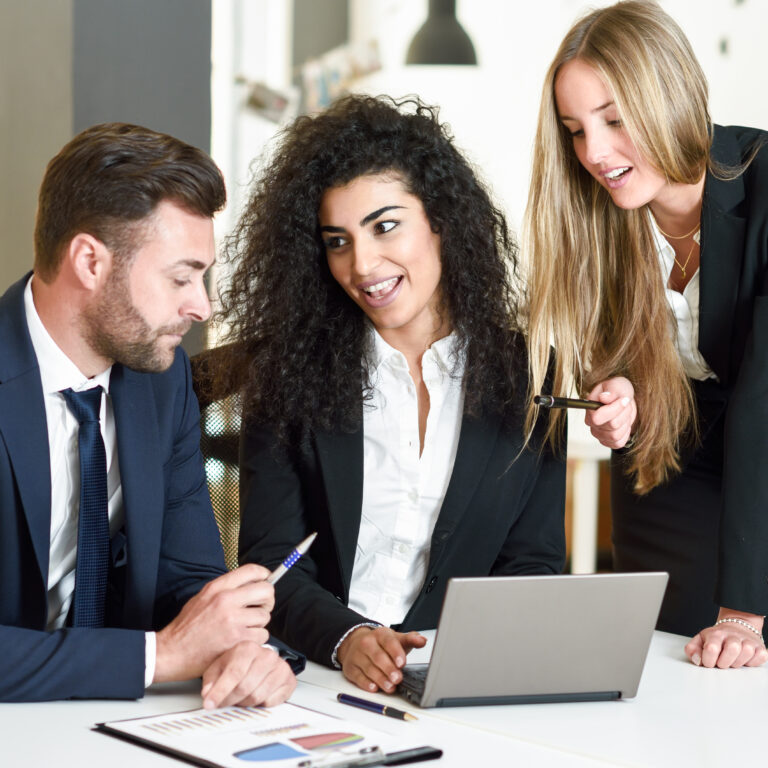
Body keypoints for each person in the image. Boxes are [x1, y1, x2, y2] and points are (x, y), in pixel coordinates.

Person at [213, 94, 566, 695]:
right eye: (338, 240)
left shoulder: (528, 371)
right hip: (314, 674)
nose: (363, 264)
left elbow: (533, 561)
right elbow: (273, 560)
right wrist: (347, 638)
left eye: (385, 226)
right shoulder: (290, 372)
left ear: (441, 220)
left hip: (461, 677)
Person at [0, 123, 299, 704]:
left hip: (121, 727)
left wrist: (241, 651)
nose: (202, 305)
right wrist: (159, 656)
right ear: (90, 262)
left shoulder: (163, 386)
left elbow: (187, 579)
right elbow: (168, 647)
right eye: (181, 276)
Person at [524, 0, 768, 669]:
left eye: (614, 119)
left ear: (669, 94)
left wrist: (745, 613)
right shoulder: (601, 216)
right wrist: (620, 393)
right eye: (575, 129)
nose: (594, 153)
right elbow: (612, 353)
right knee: (666, 662)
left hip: (765, 440)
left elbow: (762, 404)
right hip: (674, 455)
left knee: (743, 659)